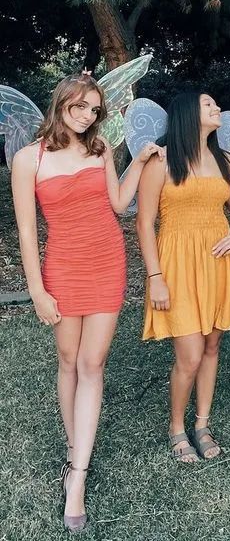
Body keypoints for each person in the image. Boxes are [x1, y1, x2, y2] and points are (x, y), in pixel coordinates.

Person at [11, 72, 162, 532]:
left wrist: (137, 161)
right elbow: (25, 231)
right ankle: (75, 445)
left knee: (92, 364)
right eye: (81, 106)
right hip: (61, 266)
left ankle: (76, 472)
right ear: (62, 103)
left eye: (94, 110)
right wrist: (36, 289)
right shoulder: (27, 158)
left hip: (107, 261)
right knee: (68, 359)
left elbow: (118, 204)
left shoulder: (98, 151)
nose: (87, 116)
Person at [136, 90, 230, 465]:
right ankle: (177, 427)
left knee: (211, 347)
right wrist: (155, 276)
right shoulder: (163, 160)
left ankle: (202, 424)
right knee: (188, 356)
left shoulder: (223, 160)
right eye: (209, 105)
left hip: (218, 260)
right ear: (189, 113)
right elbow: (143, 223)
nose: (217, 108)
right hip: (175, 264)